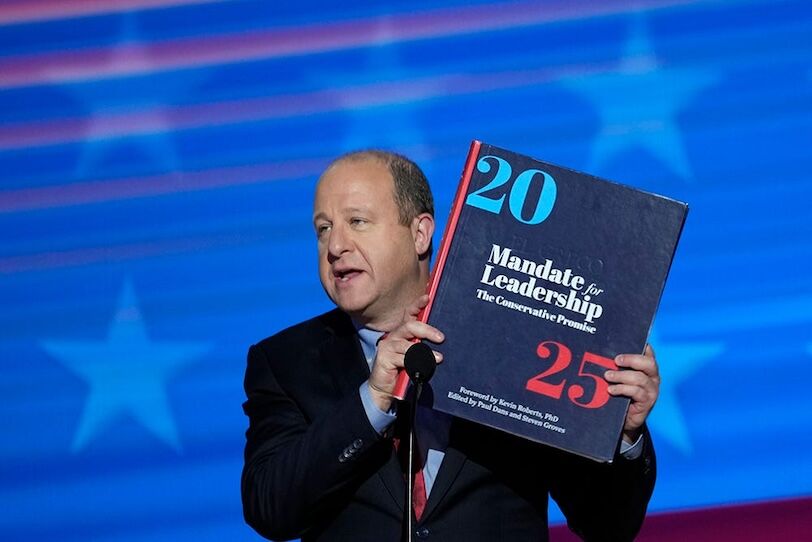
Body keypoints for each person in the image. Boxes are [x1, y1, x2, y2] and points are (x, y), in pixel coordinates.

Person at [242, 150, 658, 541]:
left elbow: (607, 525)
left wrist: (622, 433)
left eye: (358, 221)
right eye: (323, 229)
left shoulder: (516, 339)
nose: (335, 247)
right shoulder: (284, 362)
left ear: (420, 233)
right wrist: (373, 400)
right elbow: (270, 510)